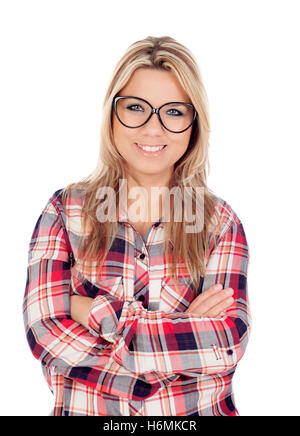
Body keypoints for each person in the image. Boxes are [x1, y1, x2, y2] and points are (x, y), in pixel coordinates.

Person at [23, 35, 251, 416]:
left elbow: (226, 344)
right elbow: (45, 333)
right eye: (135, 108)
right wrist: (180, 339)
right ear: (112, 115)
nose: (153, 129)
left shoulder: (220, 223)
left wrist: (98, 312)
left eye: (174, 112)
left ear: (194, 125)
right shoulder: (64, 211)